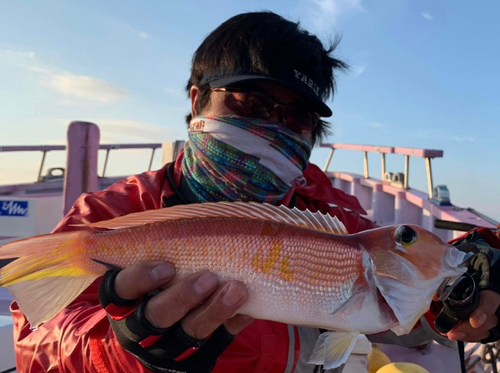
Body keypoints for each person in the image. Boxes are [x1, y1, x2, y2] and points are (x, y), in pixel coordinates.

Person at [10, 11, 500, 373]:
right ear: (197, 100)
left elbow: (395, 292)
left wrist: (465, 301)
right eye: (249, 102)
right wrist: (124, 352)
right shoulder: (107, 216)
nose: (271, 127)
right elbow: (36, 341)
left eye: (296, 117)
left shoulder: (333, 211)